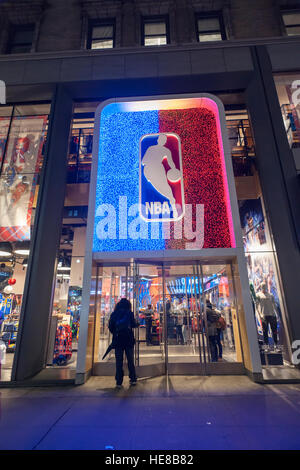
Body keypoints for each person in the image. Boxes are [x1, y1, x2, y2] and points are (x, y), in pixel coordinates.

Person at [142, 134, 178, 218]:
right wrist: (174, 169)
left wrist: (174, 169)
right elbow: (171, 163)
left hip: (151, 169)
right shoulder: (163, 150)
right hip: (153, 169)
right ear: (161, 141)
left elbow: (144, 161)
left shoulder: (156, 149)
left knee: (164, 188)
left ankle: (173, 207)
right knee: (163, 188)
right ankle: (172, 203)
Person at [108, 298, 138, 389]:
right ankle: (132, 379)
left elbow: (111, 326)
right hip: (128, 339)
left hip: (118, 339)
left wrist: (116, 333)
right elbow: (133, 324)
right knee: (130, 359)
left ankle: (119, 381)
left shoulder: (114, 314)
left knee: (119, 361)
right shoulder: (129, 313)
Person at [256, 282, 279, 351]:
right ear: (260, 287)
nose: (264, 287)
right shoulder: (258, 295)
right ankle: (266, 347)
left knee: (274, 331)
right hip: (264, 316)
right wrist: (259, 315)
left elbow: (274, 305)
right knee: (265, 332)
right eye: (262, 286)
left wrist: (276, 314)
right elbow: (257, 306)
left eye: (265, 286)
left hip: (272, 315)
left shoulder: (270, 295)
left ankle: (276, 346)